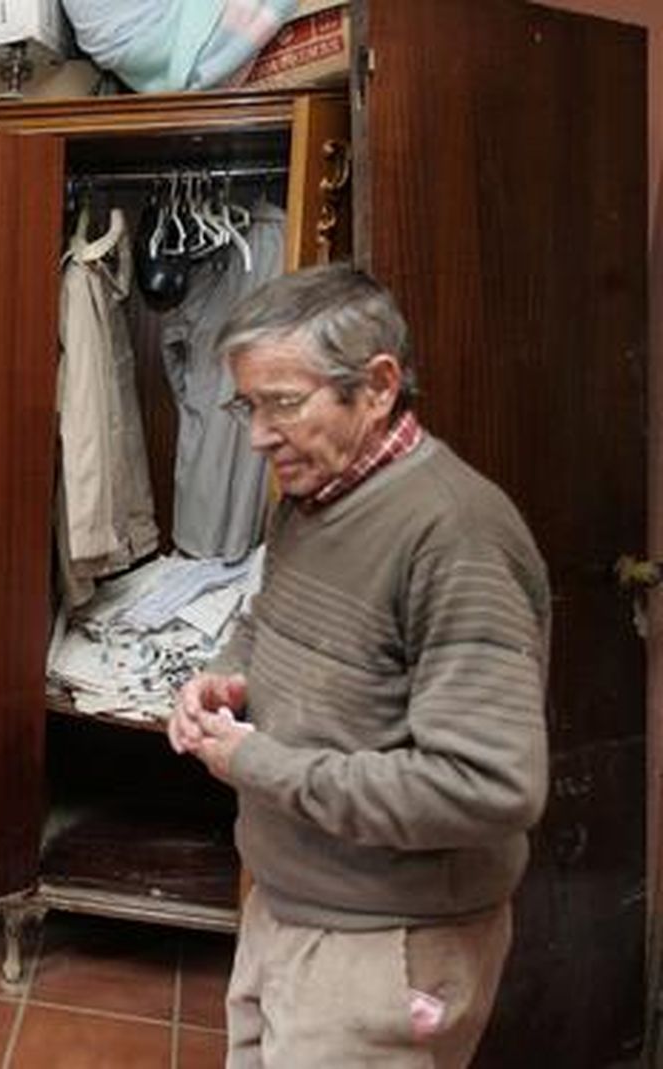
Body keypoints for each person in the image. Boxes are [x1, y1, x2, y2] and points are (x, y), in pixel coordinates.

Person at [167, 263, 551, 1067]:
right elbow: (267, 622)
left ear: (376, 388)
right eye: (249, 404)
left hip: (385, 942)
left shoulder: (457, 535)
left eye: (283, 402)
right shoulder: (312, 497)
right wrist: (228, 675)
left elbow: (488, 787)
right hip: (291, 904)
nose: (258, 434)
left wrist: (259, 762)